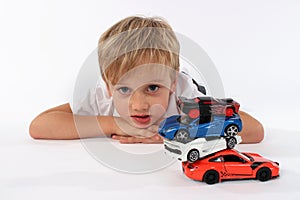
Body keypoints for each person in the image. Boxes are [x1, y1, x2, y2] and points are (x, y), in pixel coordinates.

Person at [29, 16, 264, 144]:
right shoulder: (102, 96)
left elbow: (254, 130)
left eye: (152, 88)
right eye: (124, 89)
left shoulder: (185, 95)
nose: (139, 104)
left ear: (172, 83)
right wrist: (112, 124)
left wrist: (179, 134)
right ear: (108, 85)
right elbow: (39, 125)